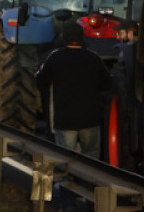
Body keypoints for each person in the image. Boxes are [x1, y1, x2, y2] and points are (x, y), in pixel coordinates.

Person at [34, 20, 111, 157]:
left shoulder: (55, 58)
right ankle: (88, 179)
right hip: (90, 119)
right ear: (82, 38)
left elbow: (40, 80)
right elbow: (107, 84)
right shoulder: (94, 58)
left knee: (65, 157)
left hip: (65, 119)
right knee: (91, 157)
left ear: (65, 38)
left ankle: (67, 179)